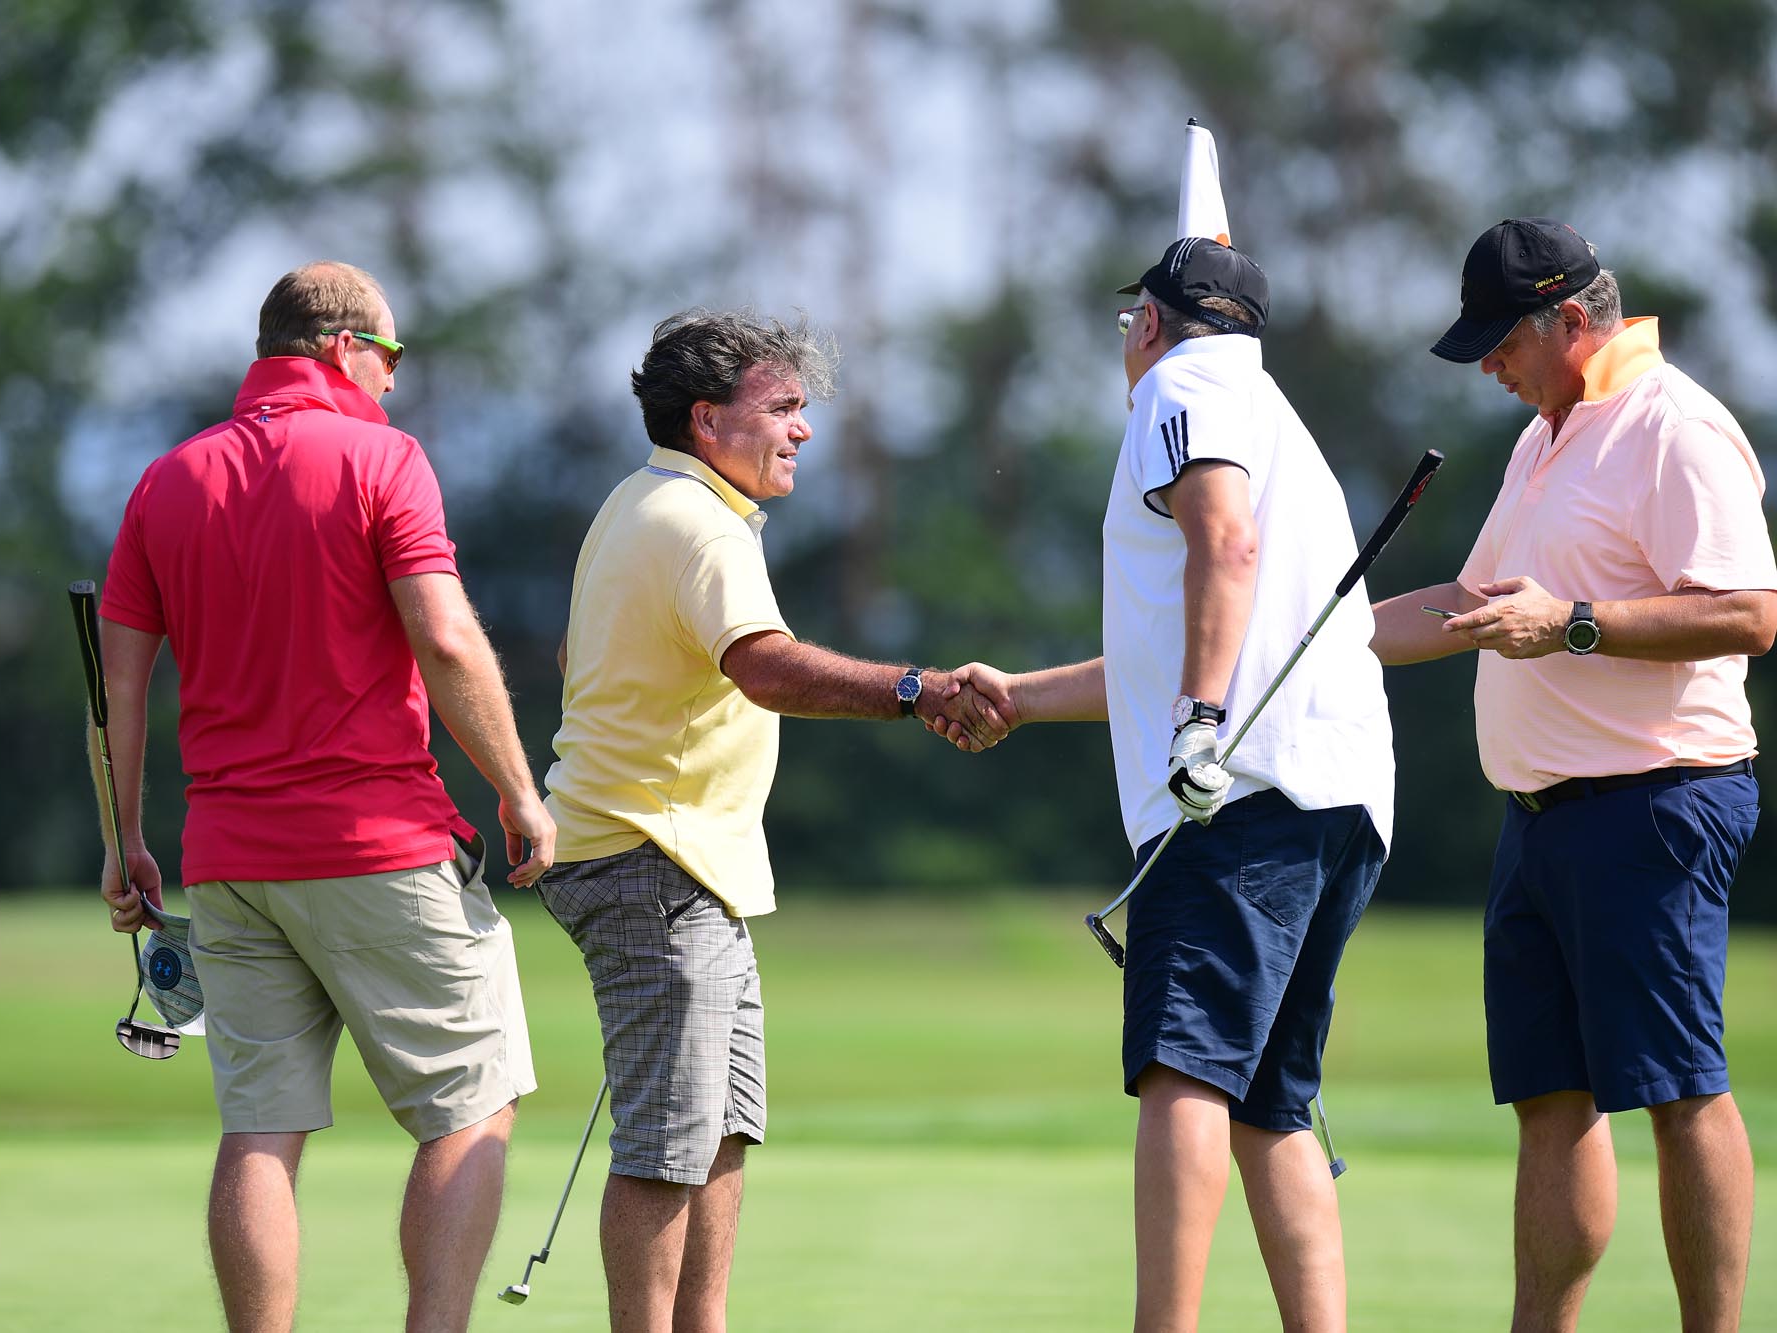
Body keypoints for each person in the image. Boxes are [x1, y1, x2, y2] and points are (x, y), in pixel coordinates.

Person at [91, 260, 556, 1333]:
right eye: (388, 357)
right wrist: (516, 789)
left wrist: (124, 838)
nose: (393, 381)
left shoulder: (166, 480)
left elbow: (117, 682)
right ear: (345, 346)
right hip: (377, 841)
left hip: (229, 859)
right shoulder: (382, 457)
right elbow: (442, 636)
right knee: (470, 1107)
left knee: (259, 1128)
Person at [944, 238, 1396, 1330]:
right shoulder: (1275, 414)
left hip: (1233, 792)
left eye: (1123, 325)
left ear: (1149, 323)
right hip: (1334, 793)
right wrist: (1018, 696)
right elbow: (1178, 636)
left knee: (1182, 1071)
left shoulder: (1180, 387)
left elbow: (1222, 548)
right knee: (1272, 1102)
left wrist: (1196, 729)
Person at [537, 308, 1008, 1333]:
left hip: (679, 864)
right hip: (649, 857)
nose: (802, 429)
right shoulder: (694, 523)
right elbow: (765, 666)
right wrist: (915, 686)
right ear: (708, 419)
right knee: (667, 1143)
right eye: (782, 408)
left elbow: (584, 667)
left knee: (716, 1133)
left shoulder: (640, 504)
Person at [1370, 217, 1777, 1332]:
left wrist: (1576, 626)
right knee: (1550, 1102)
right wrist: (1314, 640)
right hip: (1539, 820)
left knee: (1681, 1092)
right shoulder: (1546, 433)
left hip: (1652, 801)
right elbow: (1470, 602)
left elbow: (1749, 613)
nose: (1489, 366)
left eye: (1501, 341)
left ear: (1568, 319)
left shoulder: (1673, 426)